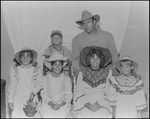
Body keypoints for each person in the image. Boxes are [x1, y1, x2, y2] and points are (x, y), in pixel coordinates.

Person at [72, 10, 119, 79]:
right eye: (84, 23)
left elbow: (114, 55)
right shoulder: (77, 39)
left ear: (94, 22)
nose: (86, 25)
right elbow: (75, 59)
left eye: (88, 22)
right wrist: (79, 74)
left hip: (105, 72)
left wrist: (115, 72)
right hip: (85, 73)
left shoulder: (108, 36)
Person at [73, 46, 113, 118]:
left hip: (102, 102)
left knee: (102, 114)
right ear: (89, 59)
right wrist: (87, 104)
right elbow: (79, 93)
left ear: (101, 60)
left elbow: (109, 93)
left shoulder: (107, 73)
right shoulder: (82, 72)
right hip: (85, 102)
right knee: (85, 114)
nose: (95, 61)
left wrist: (100, 104)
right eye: (92, 58)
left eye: (97, 58)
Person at [8, 47, 43, 118]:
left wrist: (33, 92)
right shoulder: (14, 70)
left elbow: (40, 84)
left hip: (31, 98)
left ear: (31, 58)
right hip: (18, 97)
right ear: (20, 59)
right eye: (23, 56)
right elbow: (12, 86)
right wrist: (10, 100)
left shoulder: (36, 70)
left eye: (28, 56)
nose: (25, 58)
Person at [40, 52, 73, 118]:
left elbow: (69, 95)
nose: (57, 67)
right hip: (49, 104)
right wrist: (52, 105)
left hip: (62, 105)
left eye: (59, 64)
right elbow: (44, 94)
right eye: (55, 64)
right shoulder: (45, 78)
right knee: (46, 113)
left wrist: (60, 105)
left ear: (62, 66)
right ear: (51, 66)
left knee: (62, 114)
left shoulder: (66, 79)